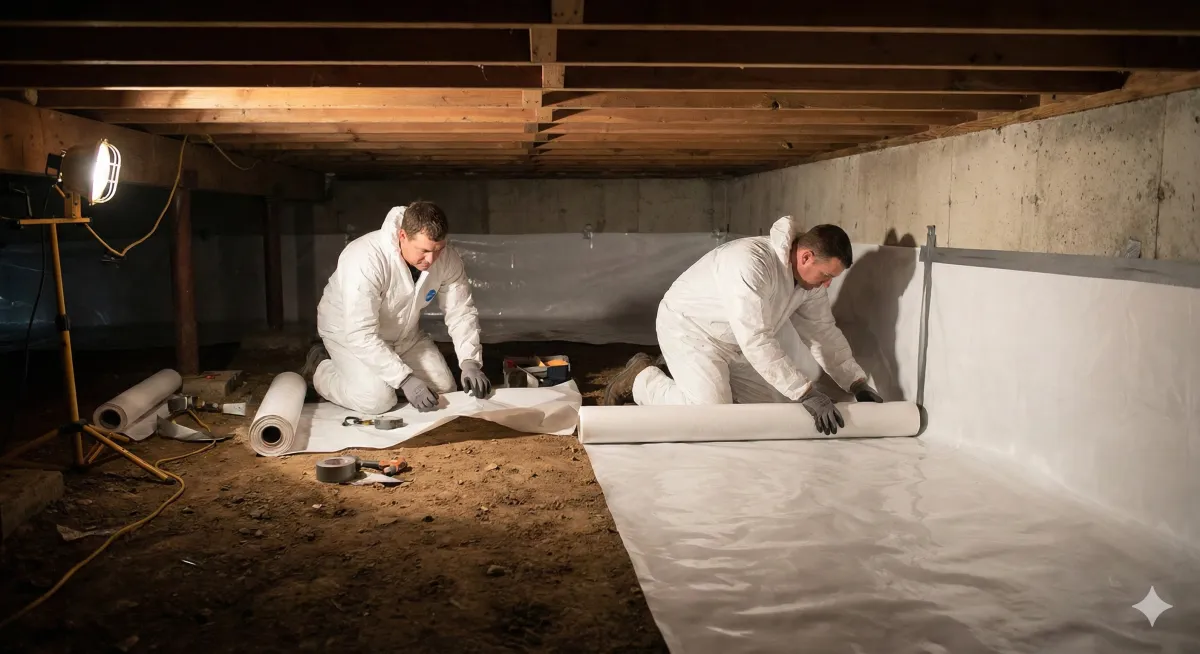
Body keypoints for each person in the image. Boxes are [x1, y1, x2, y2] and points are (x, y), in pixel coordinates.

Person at [601, 216, 883, 435]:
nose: (827, 284)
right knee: (711, 415)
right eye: (825, 275)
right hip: (690, 329)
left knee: (762, 414)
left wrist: (856, 382)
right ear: (806, 256)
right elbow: (756, 338)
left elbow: (823, 332)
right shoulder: (752, 263)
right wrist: (806, 392)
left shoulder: (810, 284)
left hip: (736, 341)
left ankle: (685, 377)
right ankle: (641, 379)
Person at [300, 201, 491, 414]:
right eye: (424, 250)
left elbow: (460, 312)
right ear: (402, 236)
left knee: (445, 389)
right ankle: (321, 368)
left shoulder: (447, 259)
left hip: (404, 335)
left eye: (438, 250)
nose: (431, 259)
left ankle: (385, 377)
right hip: (348, 333)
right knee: (377, 400)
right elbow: (360, 333)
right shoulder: (365, 258)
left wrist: (470, 361)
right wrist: (405, 379)